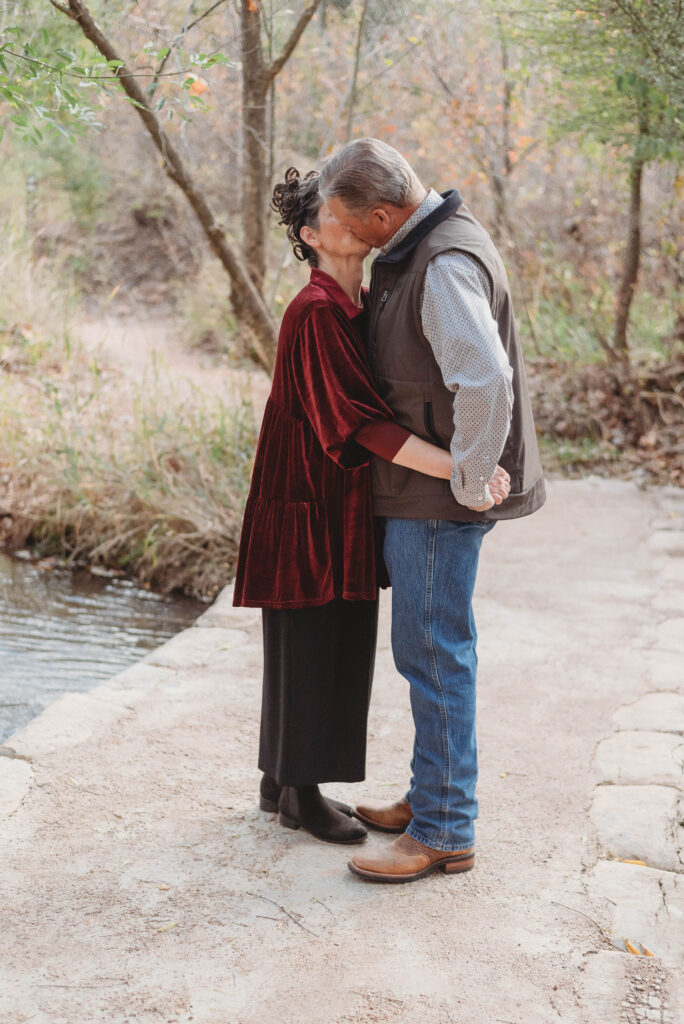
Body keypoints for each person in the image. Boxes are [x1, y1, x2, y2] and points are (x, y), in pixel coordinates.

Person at [232, 168, 507, 846]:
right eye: (335, 215)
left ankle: (280, 779)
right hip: (308, 499)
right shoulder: (318, 308)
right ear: (310, 235)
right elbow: (358, 425)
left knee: (326, 637)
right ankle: (300, 794)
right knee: (314, 639)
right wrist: (460, 469)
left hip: (336, 498)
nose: (354, 222)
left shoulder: (357, 302)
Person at [317, 138, 545, 880]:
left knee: (435, 654)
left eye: (355, 223)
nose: (351, 235)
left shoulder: (442, 263)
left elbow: (485, 381)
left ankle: (446, 828)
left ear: (385, 212)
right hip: (425, 491)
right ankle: (430, 797)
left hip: (436, 499)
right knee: (428, 650)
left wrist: (471, 477)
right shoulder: (426, 244)